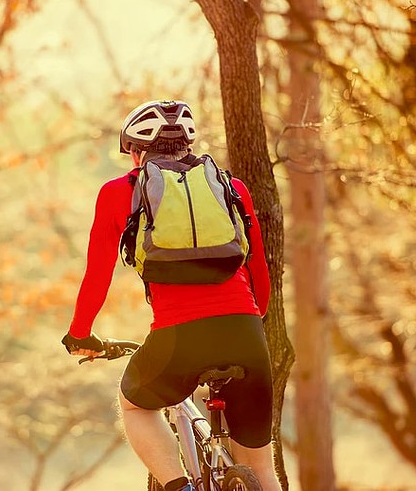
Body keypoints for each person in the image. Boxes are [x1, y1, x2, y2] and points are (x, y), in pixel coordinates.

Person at [61, 100, 282, 491]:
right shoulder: (232, 188)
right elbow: (258, 266)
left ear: (135, 151)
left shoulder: (119, 192)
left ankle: (180, 487)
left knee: (135, 405)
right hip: (245, 332)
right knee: (262, 468)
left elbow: (98, 273)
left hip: (179, 335)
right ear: (188, 143)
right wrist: (251, 322)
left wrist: (80, 333)